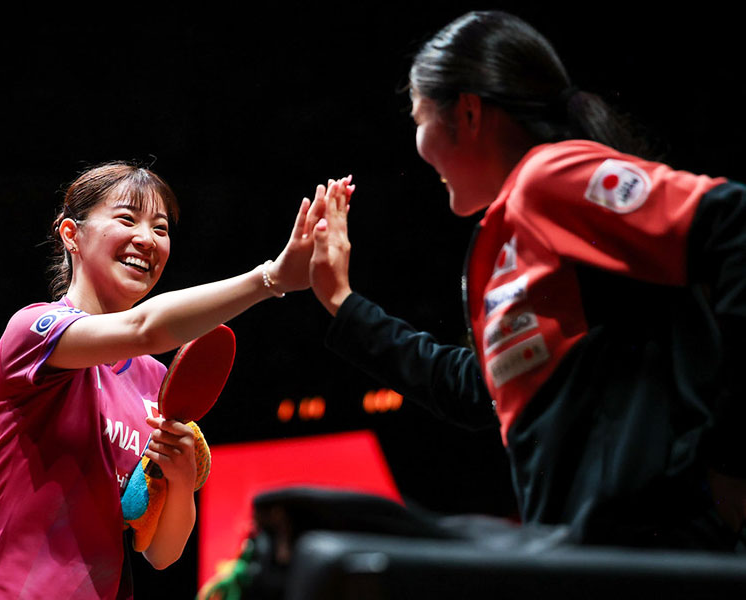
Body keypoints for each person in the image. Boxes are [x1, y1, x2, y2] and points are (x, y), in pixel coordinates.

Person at [308, 10, 746, 552]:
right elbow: (475, 390)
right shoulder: (510, 232)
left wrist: (729, 454)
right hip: (588, 555)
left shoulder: (549, 178)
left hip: (661, 550)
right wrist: (341, 302)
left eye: (419, 118)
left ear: (468, 112)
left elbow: (733, 222)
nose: (417, 146)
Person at [0, 162, 346, 599]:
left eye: (160, 228)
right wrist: (269, 279)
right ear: (70, 235)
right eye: (126, 219)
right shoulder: (34, 333)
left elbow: (161, 551)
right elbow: (143, 330)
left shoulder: (155, 378)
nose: (147, 238)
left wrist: (178, 479)